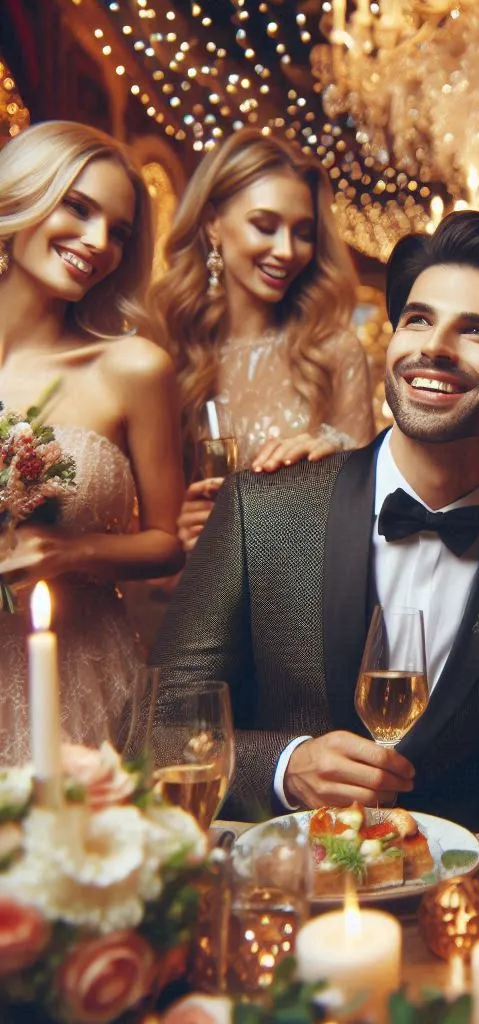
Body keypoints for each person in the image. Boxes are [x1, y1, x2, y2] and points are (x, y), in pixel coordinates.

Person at [150, 210, 479, 828]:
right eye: (418, 320)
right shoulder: (263, 509)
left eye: (476, 331)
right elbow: (156, 727)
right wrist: (286, 765)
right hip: (284, 887)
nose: (434, 348)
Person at [0, 121, 184, 762]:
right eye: (77, 208)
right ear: (21, 195)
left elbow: (168, 544)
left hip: (83, 682)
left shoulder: (134, 367)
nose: (98, 242)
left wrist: (66, 550)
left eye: (119, 230)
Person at [147, 128, 375, 554]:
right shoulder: (166, 352)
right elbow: (140, 523)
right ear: (213, 222)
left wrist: (335, 467)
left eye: (303, 232)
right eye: (265, 226)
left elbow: (366, 514)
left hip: (304, 597)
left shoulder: (333, 349)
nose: (287, 250)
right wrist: (178, 528)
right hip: (199, 600)